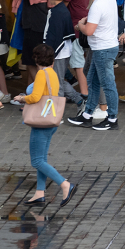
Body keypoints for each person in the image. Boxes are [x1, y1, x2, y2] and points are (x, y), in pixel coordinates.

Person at [16, 43, 77, 206]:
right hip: (51, 120)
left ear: (36, 59)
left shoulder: (42, 74)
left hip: (40, 122)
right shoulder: (53, 73)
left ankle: (65, 184)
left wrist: (22, 98)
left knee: (36, 161)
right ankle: (39, 193)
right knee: (41, 158)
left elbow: (35, 97)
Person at [68, 0, 121, 131]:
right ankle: (87, 115)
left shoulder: (98, 4)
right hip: (106, 46)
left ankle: (112, 119)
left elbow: (89, 31)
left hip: (102, 49)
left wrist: (79, 25)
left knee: (107, 84)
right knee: (93, 80)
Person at [40, 0, 85, 110]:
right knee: (58, 80)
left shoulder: (56, 12)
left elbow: (54, 36)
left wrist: (50, 55)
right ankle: (79, 99)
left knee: (56, 83)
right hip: (63, 51)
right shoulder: (62, 10)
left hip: (58, 53)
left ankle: (57, 111)